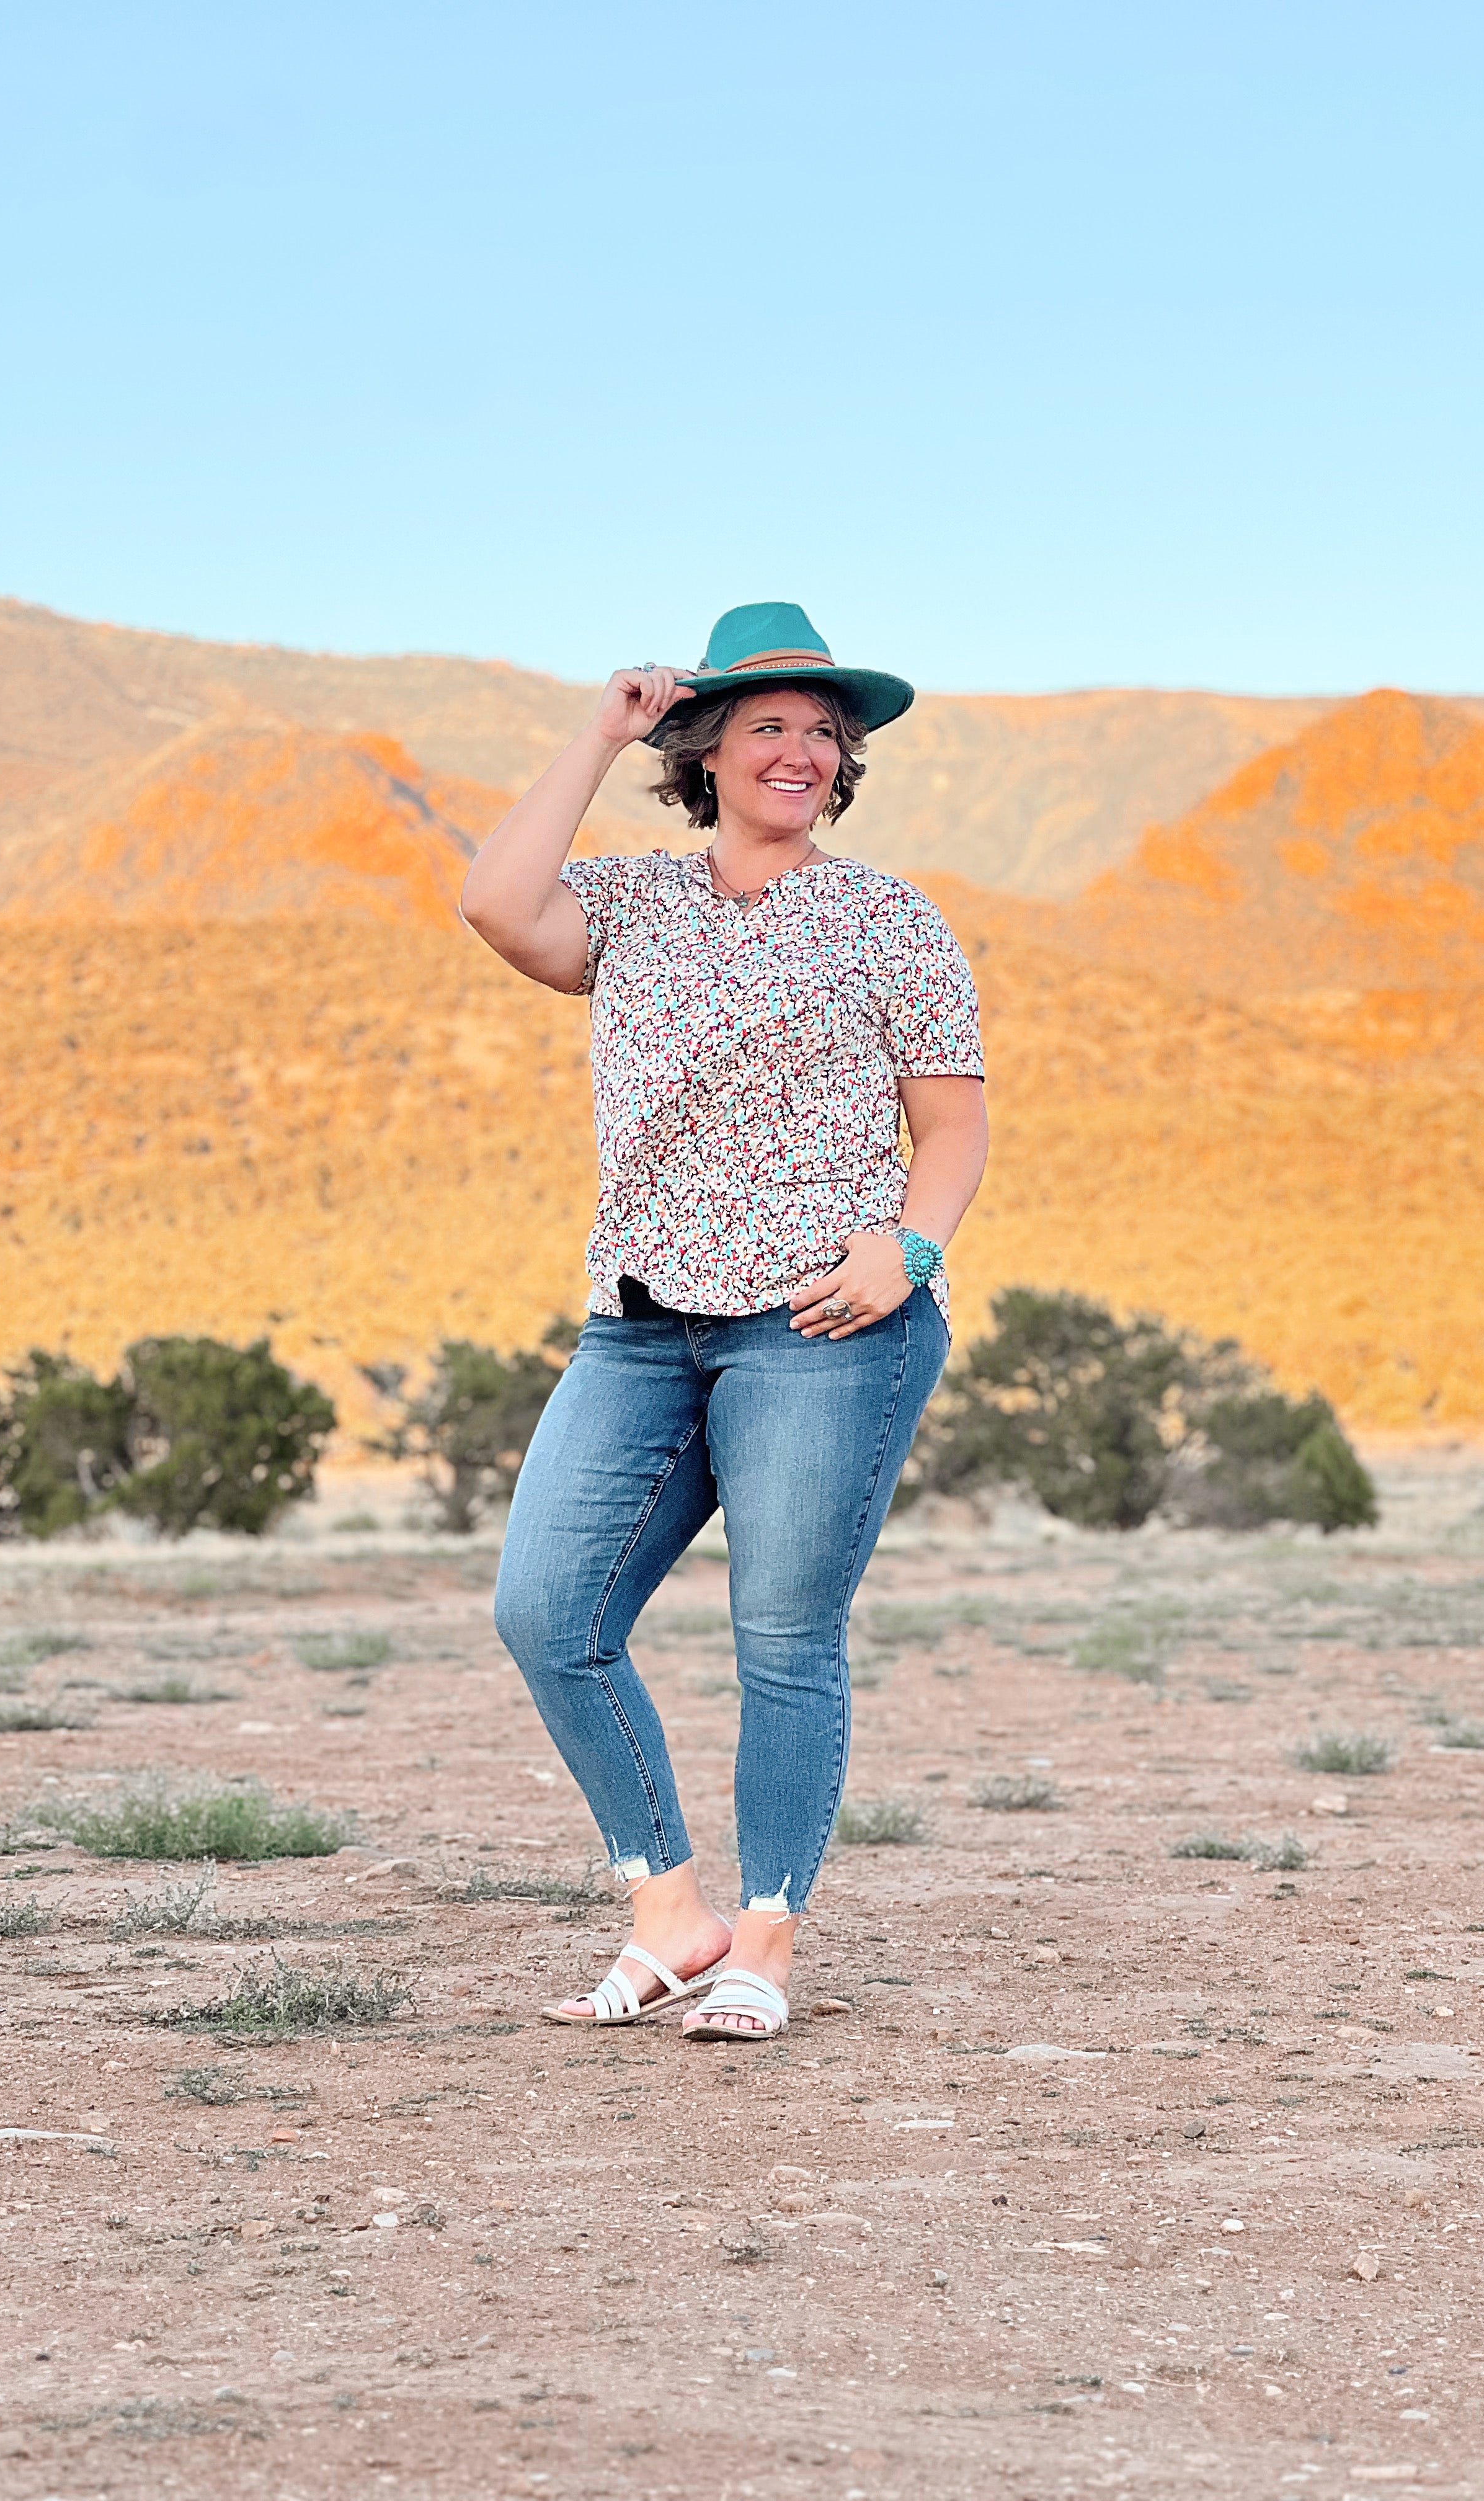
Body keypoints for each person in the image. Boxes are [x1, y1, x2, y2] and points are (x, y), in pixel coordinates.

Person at [461, 602, 988, 2043]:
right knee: (549, 1615)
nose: (802, 751)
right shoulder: (628, 909)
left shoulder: (892, 919)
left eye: (826, 731)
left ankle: (765, 1941)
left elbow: (951, 1126)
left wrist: (914, 1249)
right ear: (706, 747)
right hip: (639, 1323)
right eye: (770, 724)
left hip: (825, 1323)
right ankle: (669, 1915)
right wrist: (598, 730)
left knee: (785, 1635)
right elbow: (498, 904)